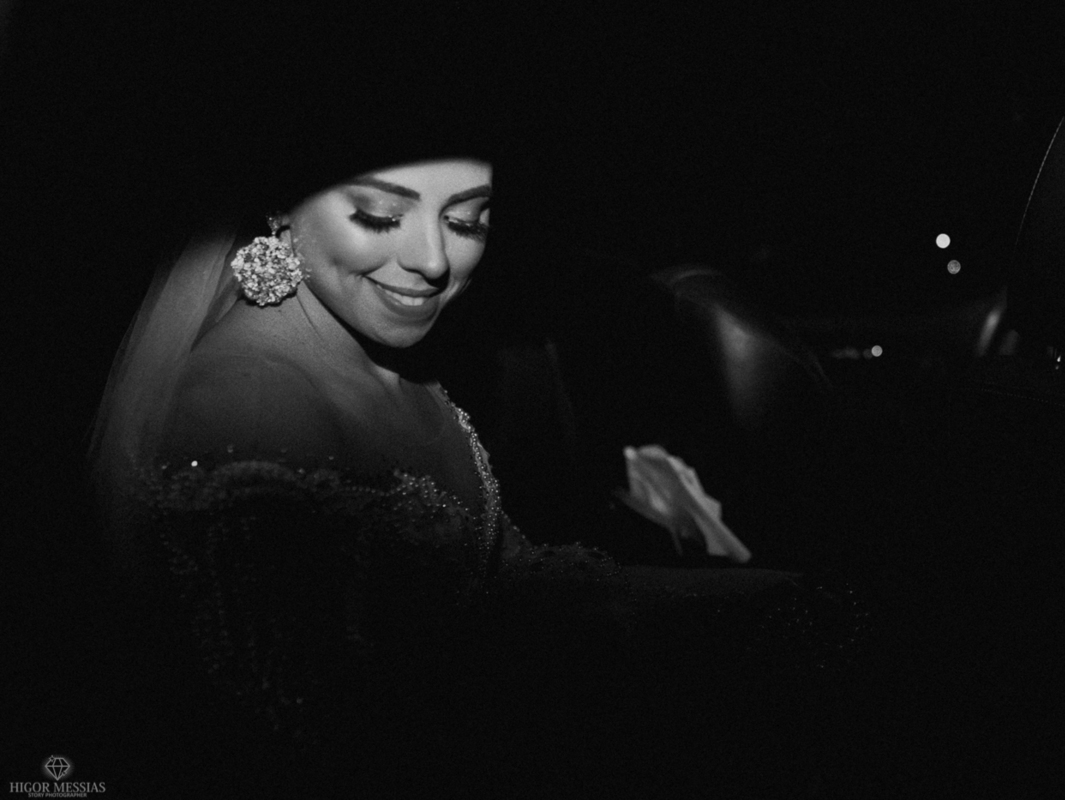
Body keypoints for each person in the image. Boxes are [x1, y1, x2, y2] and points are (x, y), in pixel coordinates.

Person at [81, 6, 864, 796]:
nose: (432, 260)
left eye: (467, 219)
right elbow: (308, 740)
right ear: (281, 203)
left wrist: (731, 602)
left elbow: (501, 592)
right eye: (380, 216)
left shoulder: (397, 358)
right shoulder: (242, 415)